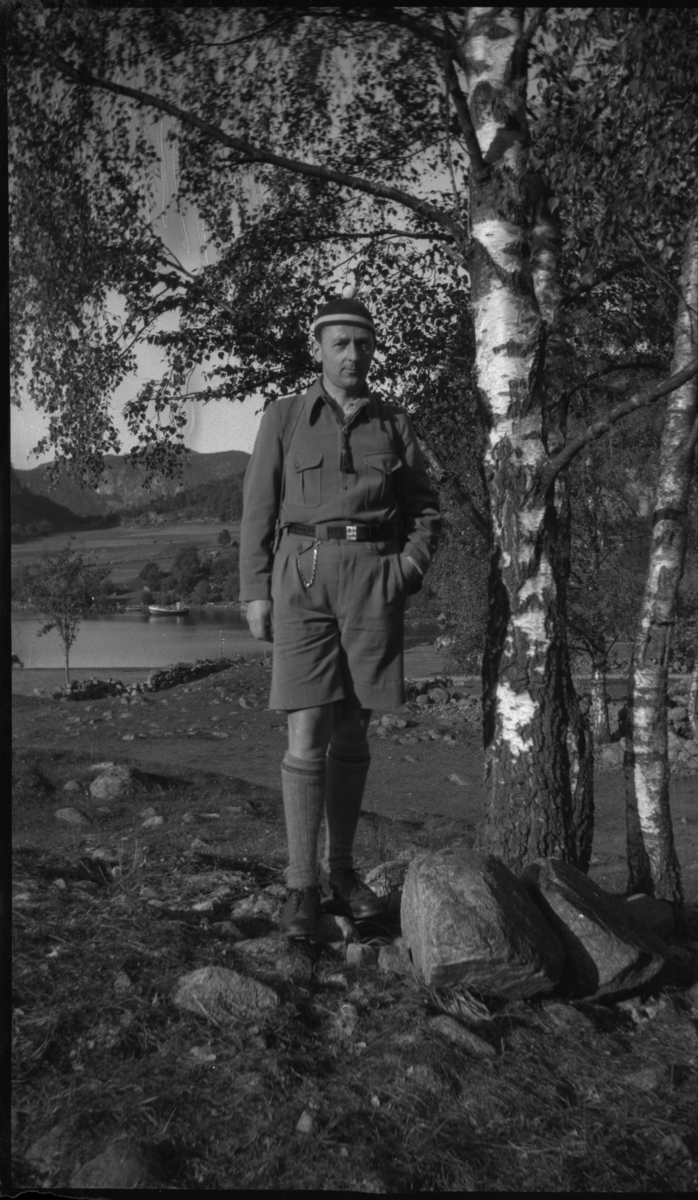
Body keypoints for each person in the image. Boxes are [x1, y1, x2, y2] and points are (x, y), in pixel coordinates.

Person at [239, 296, 441, 937]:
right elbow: (257, 509)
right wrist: (254, 591)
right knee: (306, 731)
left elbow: (427, 509)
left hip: (373, 582)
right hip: (301, 579)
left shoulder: (393, 422)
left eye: (362, 343)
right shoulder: (285, 416)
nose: (353, 355)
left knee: (353, 732)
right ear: (318, 348)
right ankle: (300, 889)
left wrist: (407, 569)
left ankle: (342, 874)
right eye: (340, 343)